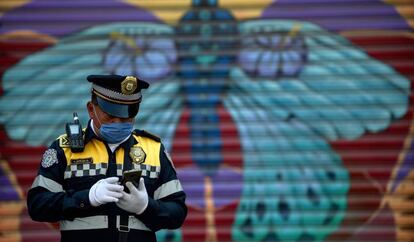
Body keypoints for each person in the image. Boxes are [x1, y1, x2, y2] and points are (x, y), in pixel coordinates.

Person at [27, 74, 187, 242]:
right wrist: (87, 198)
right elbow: (38, 205)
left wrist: (146, 207)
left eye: (126, 116)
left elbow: (177, 212)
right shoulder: (64, 149)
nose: (118, 122)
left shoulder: (154, 150)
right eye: (110, 116)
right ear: (91, 109)